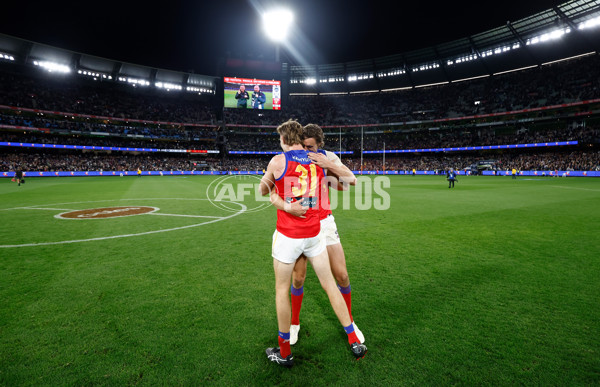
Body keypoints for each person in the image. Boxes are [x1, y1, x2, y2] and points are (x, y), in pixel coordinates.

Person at [259, 120, 367, 368]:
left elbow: (349, 183)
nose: (306, 152)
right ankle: (294, 324)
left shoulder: (325, 157)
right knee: (299, 279)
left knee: (340, 275)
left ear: (319, 146)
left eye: (310, 147)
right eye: (303, 146)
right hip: (308, 225)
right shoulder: (300, 159)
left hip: (321, 223)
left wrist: (329, 168)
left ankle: (349, 324)